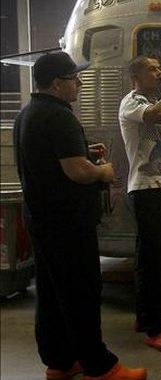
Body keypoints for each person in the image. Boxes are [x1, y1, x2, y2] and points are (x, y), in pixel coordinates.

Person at [13, 52, 147, 380]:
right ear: (57, 84)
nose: (80, 83)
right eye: (74, 78)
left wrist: (86, 154)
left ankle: (59, 362)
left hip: (42, 219)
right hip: (68, 223)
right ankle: (100, 366)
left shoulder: (28, 113)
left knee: (52, 294)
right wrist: (103, 170)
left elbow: (49, 164)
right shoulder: (60, 117)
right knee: (82, 292)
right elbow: (76, 172)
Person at [118, 56, 161, 353]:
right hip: (144, 190)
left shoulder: (150, 102)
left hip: (160, 187)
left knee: (156, 257)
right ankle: (154, 328)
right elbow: (160, 114)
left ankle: (146, 316)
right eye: (153, 69)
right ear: (136, 75)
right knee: (150, 260)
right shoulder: (132, 102)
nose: (159, 73)